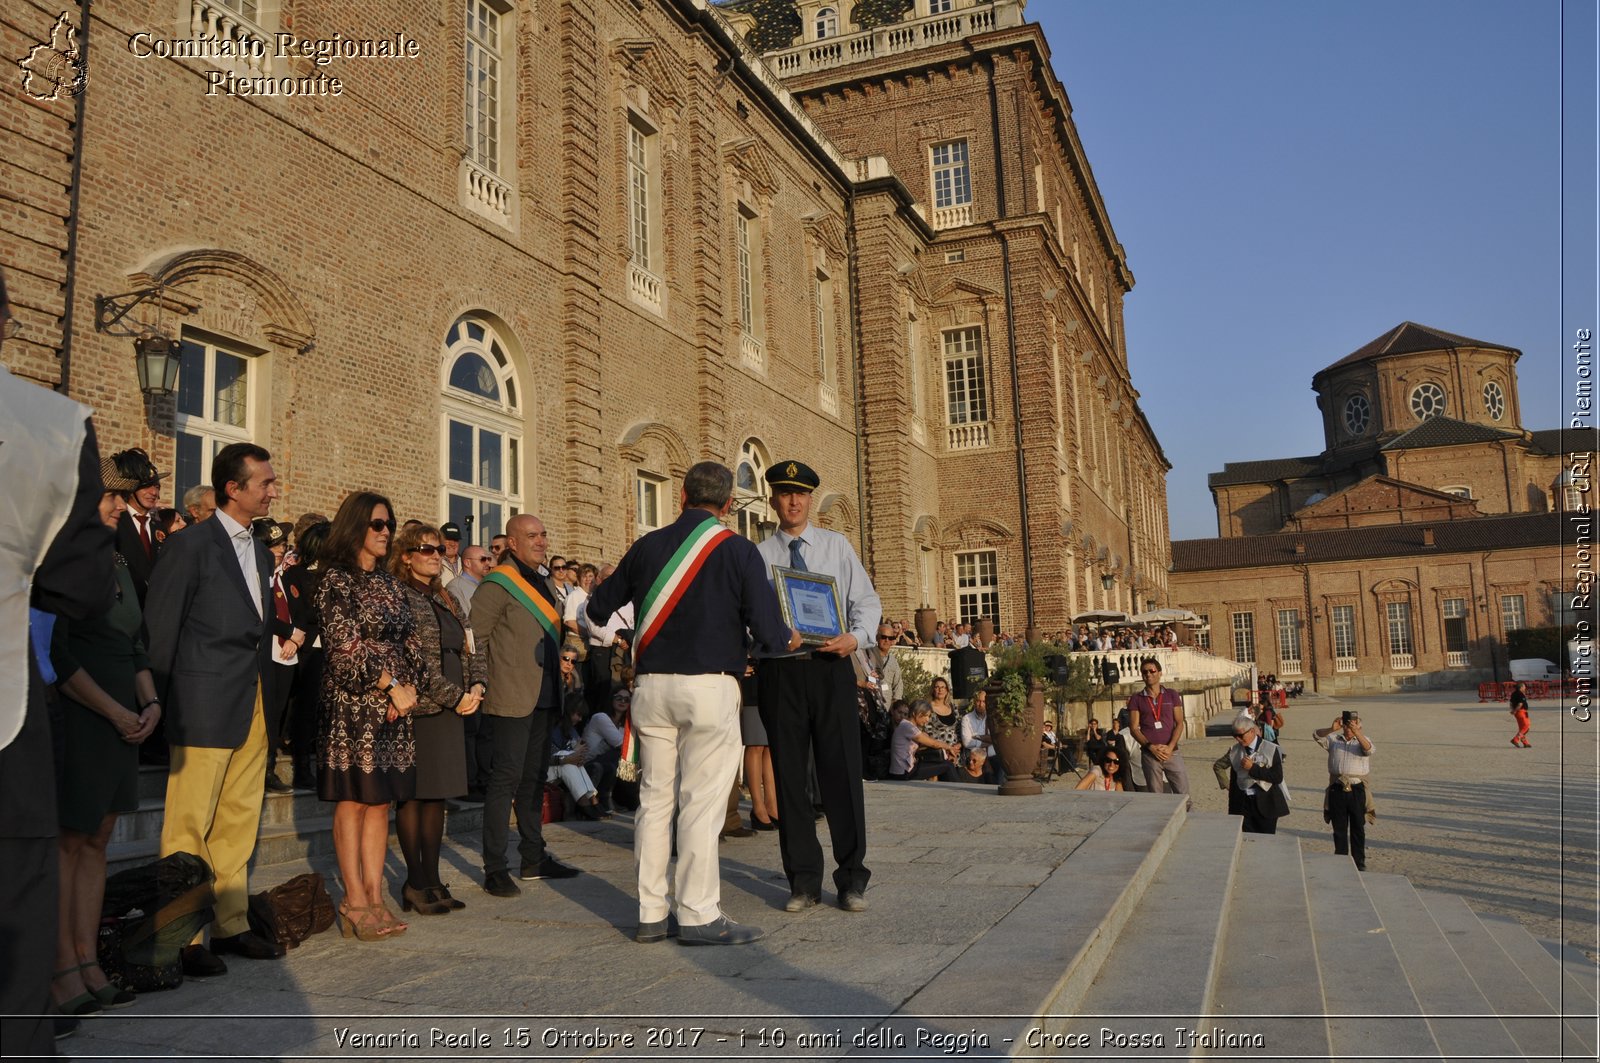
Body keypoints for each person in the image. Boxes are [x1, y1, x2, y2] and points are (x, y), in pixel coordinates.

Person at [588, 461, 799, 945]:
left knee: (654, 801)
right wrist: (786, 637)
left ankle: (649, 912)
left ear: (681, 496)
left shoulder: (645, 546)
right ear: (727, 505)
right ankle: (698, 914)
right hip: (709, 687)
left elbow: (595, 608)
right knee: (700, 805)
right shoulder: (739, 551)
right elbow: (768, 633)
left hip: (652, 689)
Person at [1, 274, 117, 1050]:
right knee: (14, 931)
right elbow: (77, 587)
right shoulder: (53, 424)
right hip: (6, 716)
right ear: (5, 315)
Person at [145, 442, 286, 973]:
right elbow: (161, 627)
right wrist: (154, 700)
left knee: (239, 817)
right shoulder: (192, 546)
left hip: (252, 697)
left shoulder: (263, 550)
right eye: (266, 482)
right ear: (234, 488)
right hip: (201, 699)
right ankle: (181, 938)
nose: (274, 489)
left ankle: (231, 926)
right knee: (188, 822)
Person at [46, 457, 150, 1021]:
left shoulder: (114, 560)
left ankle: (89, 959)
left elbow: (134, 642)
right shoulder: (58, 562)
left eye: (121, 497)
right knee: (71, 839)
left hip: (125, 718)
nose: (118, 505)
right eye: (108, 497)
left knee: (100, 838)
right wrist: (113, 710)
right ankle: (61, 965)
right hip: (85, 714)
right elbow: (57, 652)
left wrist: (149, 700)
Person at [755, 459, 881, 915]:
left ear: (811, 500)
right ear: (773, 500)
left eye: (801, 494)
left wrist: (857, 637)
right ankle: (803, 881)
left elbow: (865, 600)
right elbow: (748, 616)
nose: (793, 502)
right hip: (781, 671)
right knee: (789, 776)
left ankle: (851, 879)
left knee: (842, 773)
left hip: (831, 666)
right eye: (786, 494)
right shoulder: (760, 556)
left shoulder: (835, 547)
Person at [317, 492, 425, 940]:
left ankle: (376, 895)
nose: (385, 532)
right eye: (377, 524)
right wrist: (390, 685)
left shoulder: (392, 584)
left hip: (396, 707)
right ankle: (354, 899)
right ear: (356, 526)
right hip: (352, 705)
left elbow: (413, 640)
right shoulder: (334, 581)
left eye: (389, 525)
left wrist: (409, 688)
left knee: (381, 801)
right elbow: (344, 648)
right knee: (354, 799)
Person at [472, 513, 580, 897]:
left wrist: (564, 656)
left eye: (544, 533)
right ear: (512, 543)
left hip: (546, 695)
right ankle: (495, 867)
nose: (541, 541)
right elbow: (476, 639)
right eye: (532, 535)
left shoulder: (542, 582)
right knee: (506, 781)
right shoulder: (498, 583)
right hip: (510, 696)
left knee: (536, 779)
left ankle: (533, 857)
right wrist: (480, 683)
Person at [392, 522, 484, 915]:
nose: (434, 555)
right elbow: (415, 664)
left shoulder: (447, 597)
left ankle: (432, 877)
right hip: (422, 708)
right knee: (414, 797)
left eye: (437, 550)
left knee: (437, 798)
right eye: (425, 549)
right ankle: (415, 882)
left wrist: (477, 685)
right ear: (407, 556)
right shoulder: (399, 596)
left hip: (454, 706)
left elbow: (471, 642)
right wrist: (455, 696)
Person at [282, 521, 329, 791]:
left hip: (332, 649)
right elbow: (301, 611)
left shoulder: (335, 575)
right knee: (306, 710)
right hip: (310, 649)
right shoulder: (296, 575)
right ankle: (302, 768)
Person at [257, 519, 299, 795]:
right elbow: (266, 615)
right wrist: (291, 631)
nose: (280, 549)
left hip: (287, 653)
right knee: (267, 715)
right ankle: (265, 769)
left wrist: (294, 636)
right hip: (268, 651)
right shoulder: (260, 575)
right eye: (274, 545)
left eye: (281, 544)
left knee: (279, 711)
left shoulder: (281, 575)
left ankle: (270, 765)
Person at [1314, 712, 1374, 871]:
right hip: (1337, 787)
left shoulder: (1363, 740)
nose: (1349, 728)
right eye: (1347, 725)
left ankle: (1359, 861)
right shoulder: (1334, 740)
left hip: (1357, 788)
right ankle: (1340, 859)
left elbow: (1368, 750)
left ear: (1360, 727)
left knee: (1358, 827)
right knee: (1339, 827)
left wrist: (1357, 733)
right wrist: (1331, 728)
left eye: (1354, 725)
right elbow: (1316, 735)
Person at [1127, 657, 1189, 807]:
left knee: (1184, 795)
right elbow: (1134, 728)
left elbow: (1180, 722)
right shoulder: (1136, 699)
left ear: (1160, 673)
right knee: (1157, 798)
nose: (1148, 674)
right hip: (1150, 754)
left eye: (1152, 671)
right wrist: (1151, 747)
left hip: (1172, 752)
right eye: (1144, 672)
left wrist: (1170, 746)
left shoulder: (1171, 695)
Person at [1213, 713, 1288, 834]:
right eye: (1235, 736)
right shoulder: (1234, 750)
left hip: (1266, 803)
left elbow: (1277, 777)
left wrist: (1252, 768)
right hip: (1243, 804)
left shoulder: (1271, 748)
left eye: (1241, 735)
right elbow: (1229, 775)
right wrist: (1227, 788)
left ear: (1252, 731)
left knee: (1265, 841)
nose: (1238, 739)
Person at [110, 447, 165, 606]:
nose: (153, 492)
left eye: (156, 486)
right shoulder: (115, 521)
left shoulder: (159, 527)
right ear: (131, 488)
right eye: (146, 486)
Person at [886, 701, 960, 781]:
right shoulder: (907, 727)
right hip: (903, 772)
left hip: (906, 769)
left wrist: (946, 752)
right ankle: (959, 791)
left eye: (929, 716)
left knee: (943, 763)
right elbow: (934, 744)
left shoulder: (909, 726)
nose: (927, 719)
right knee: (948, 765)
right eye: (925, 716)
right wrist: (950, 748)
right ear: (915, 714)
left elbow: (926, 743)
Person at [958, 688, 999, 783]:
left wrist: (978, 737)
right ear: (974, 702)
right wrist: (989, 740)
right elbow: (967, 743)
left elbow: (998, 739)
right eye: (978, 701)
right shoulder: (967, 719)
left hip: (994, 758)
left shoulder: (994, 717)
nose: (981, 704)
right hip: (975, 760)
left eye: (984, 701)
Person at [449, 543, 492, 619]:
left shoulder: (488, 585)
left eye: (489, 559)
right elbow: (464, 621)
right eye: (483, 559)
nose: (488, 563)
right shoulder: (455, 587)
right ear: (467, 563)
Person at [1509, 681, 1531, 747]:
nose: (1525, 688)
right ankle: (1515, 739)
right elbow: (1520, 704)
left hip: (1517, 713)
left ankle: (1525, 742)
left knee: (1522, 728)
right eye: (1524, 686)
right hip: (1522, 712)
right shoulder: (1521, 694)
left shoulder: (1513, 694)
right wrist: (1515, 710)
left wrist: (1513, 710)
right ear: (1521, 687)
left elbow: (1511, 703)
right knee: (1526, 727)